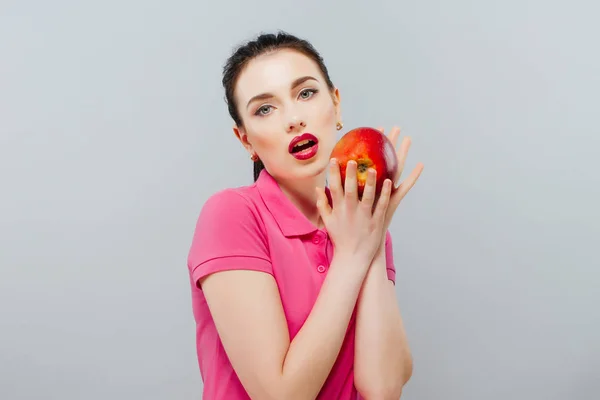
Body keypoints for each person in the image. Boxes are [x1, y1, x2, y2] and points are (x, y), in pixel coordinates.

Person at [186, 31, 424, 400]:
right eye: (265, 108)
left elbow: (383, 387)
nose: (294, 119)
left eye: (306, 93)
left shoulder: (362, 228)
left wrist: (373, 235)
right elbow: (280, 395)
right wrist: (352, 255)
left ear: (336, 104)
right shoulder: (231, 215)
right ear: (245, 139)